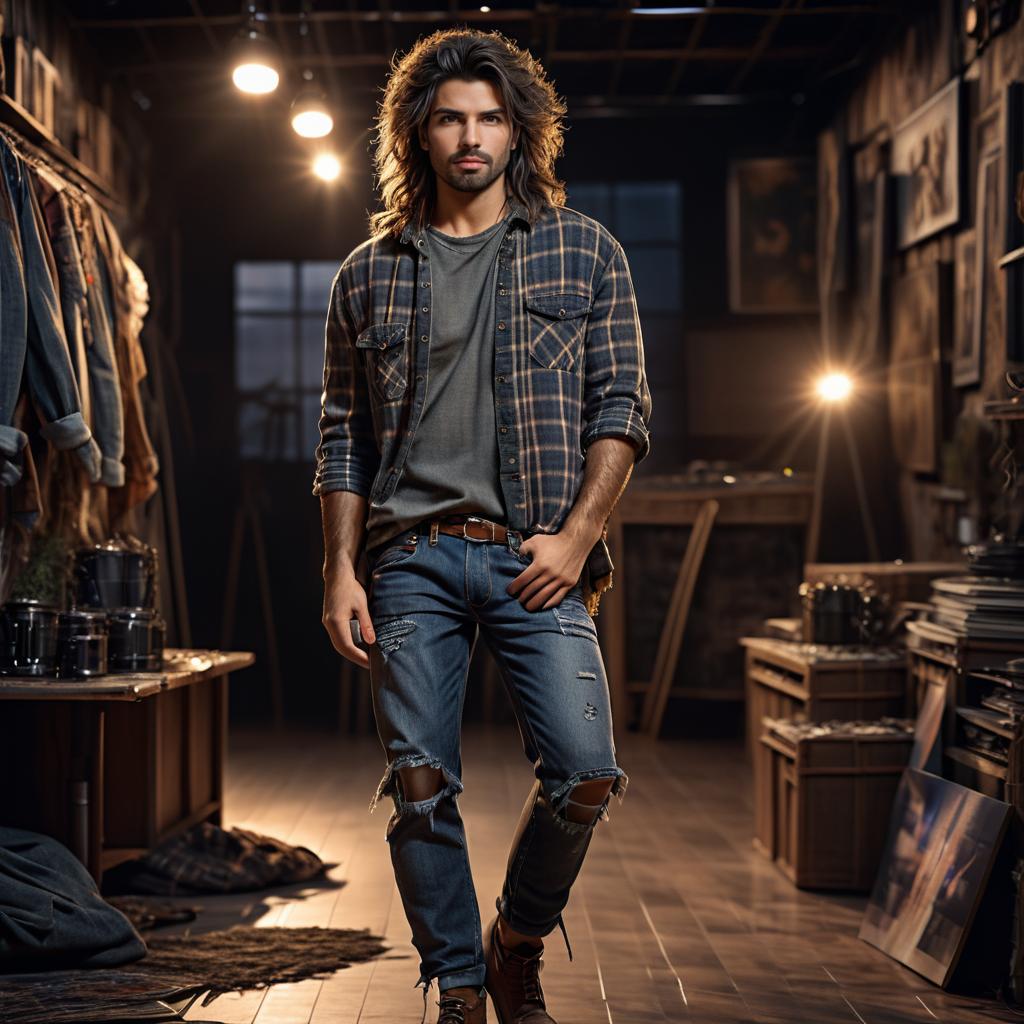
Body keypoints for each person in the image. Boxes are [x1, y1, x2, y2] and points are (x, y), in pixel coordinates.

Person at [314, 27, 651, 1024]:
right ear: (417, 132)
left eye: (490, 117)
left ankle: (515, 942)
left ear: (519, 130)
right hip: (408, 557)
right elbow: (342, 436)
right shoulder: (365, 275)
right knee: (419, 783)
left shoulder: (585, 248)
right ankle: (459, 988)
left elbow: (621, 405)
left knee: (586, 773)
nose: (471, 137)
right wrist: (339, 569)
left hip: (536, 556)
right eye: (451, 117)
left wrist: (580, 537)